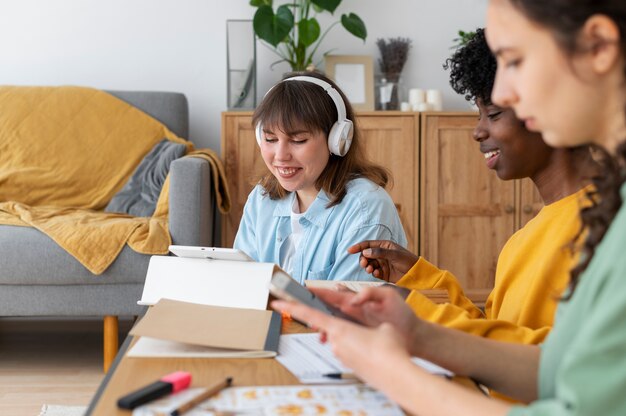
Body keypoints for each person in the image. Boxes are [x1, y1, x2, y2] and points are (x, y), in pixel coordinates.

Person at [273, 1, 626, 414]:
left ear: (599, 47)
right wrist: (414, 328)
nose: (506, 90)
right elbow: (560, 367)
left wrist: (393, 372)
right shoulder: (563, 227)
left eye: (514, 60)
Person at [348, 28, 595, 349]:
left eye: (492, 114)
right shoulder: (522, 241)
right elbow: (492, 336)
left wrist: (413, 314)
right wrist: (417, 277)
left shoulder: (603, 228)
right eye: (479, 115)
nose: (478, 131)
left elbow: (552, 362)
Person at [234, 71, 407, 284]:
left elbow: (346, 311)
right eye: (270, 139)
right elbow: (241, 285)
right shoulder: (261, 199)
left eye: (298, 140)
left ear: (338, 139)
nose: (280, 156)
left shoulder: (365, 209)